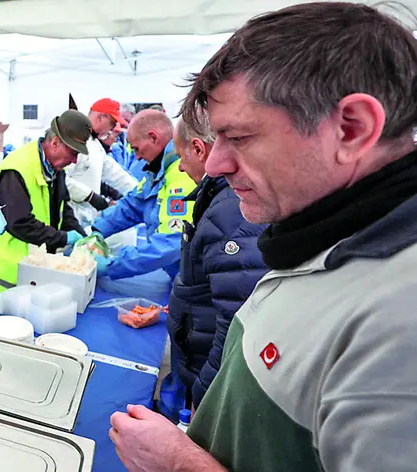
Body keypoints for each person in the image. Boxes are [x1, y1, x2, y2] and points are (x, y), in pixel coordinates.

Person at [109, 3, 417, 471]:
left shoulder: (399, 322)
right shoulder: (318, 237)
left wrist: (176, 461)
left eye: (240, 137)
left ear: (351, 128)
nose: (213, 165)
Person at [166, 114, 268, 410]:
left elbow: (235, 320)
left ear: (198, 149)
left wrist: (206, 393)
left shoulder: (231, 211)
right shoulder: (220, 199)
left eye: (181, 156)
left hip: (211, 383)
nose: (181, 167)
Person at [0, 110, 92, 315]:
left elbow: (62, 207)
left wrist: (80, 234)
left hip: (34, 270)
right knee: (1, 335)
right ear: (55, 143)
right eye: (73, 152)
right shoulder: (17, 167)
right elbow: (18, 222)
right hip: (7, 272)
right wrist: (62, 238)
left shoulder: (55, 167)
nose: (75, 160)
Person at [91, 110, 197, 280]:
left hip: (192, 281)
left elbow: (172, 241)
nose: (138, 157)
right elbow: (133, 205)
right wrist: (98, 229)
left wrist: (114, 264)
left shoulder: (183, 174)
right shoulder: (157, 171)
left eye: (137, 149)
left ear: (153, 138)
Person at [65, 98, 139, 228]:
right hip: (68, 219)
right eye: (112, 122)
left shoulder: (95, 146)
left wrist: (140, 192)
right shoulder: (72, 140)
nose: (113, 128)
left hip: (87, 220)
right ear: (100, 118)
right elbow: (61, 179)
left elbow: (116, 175)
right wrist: (90, 196)